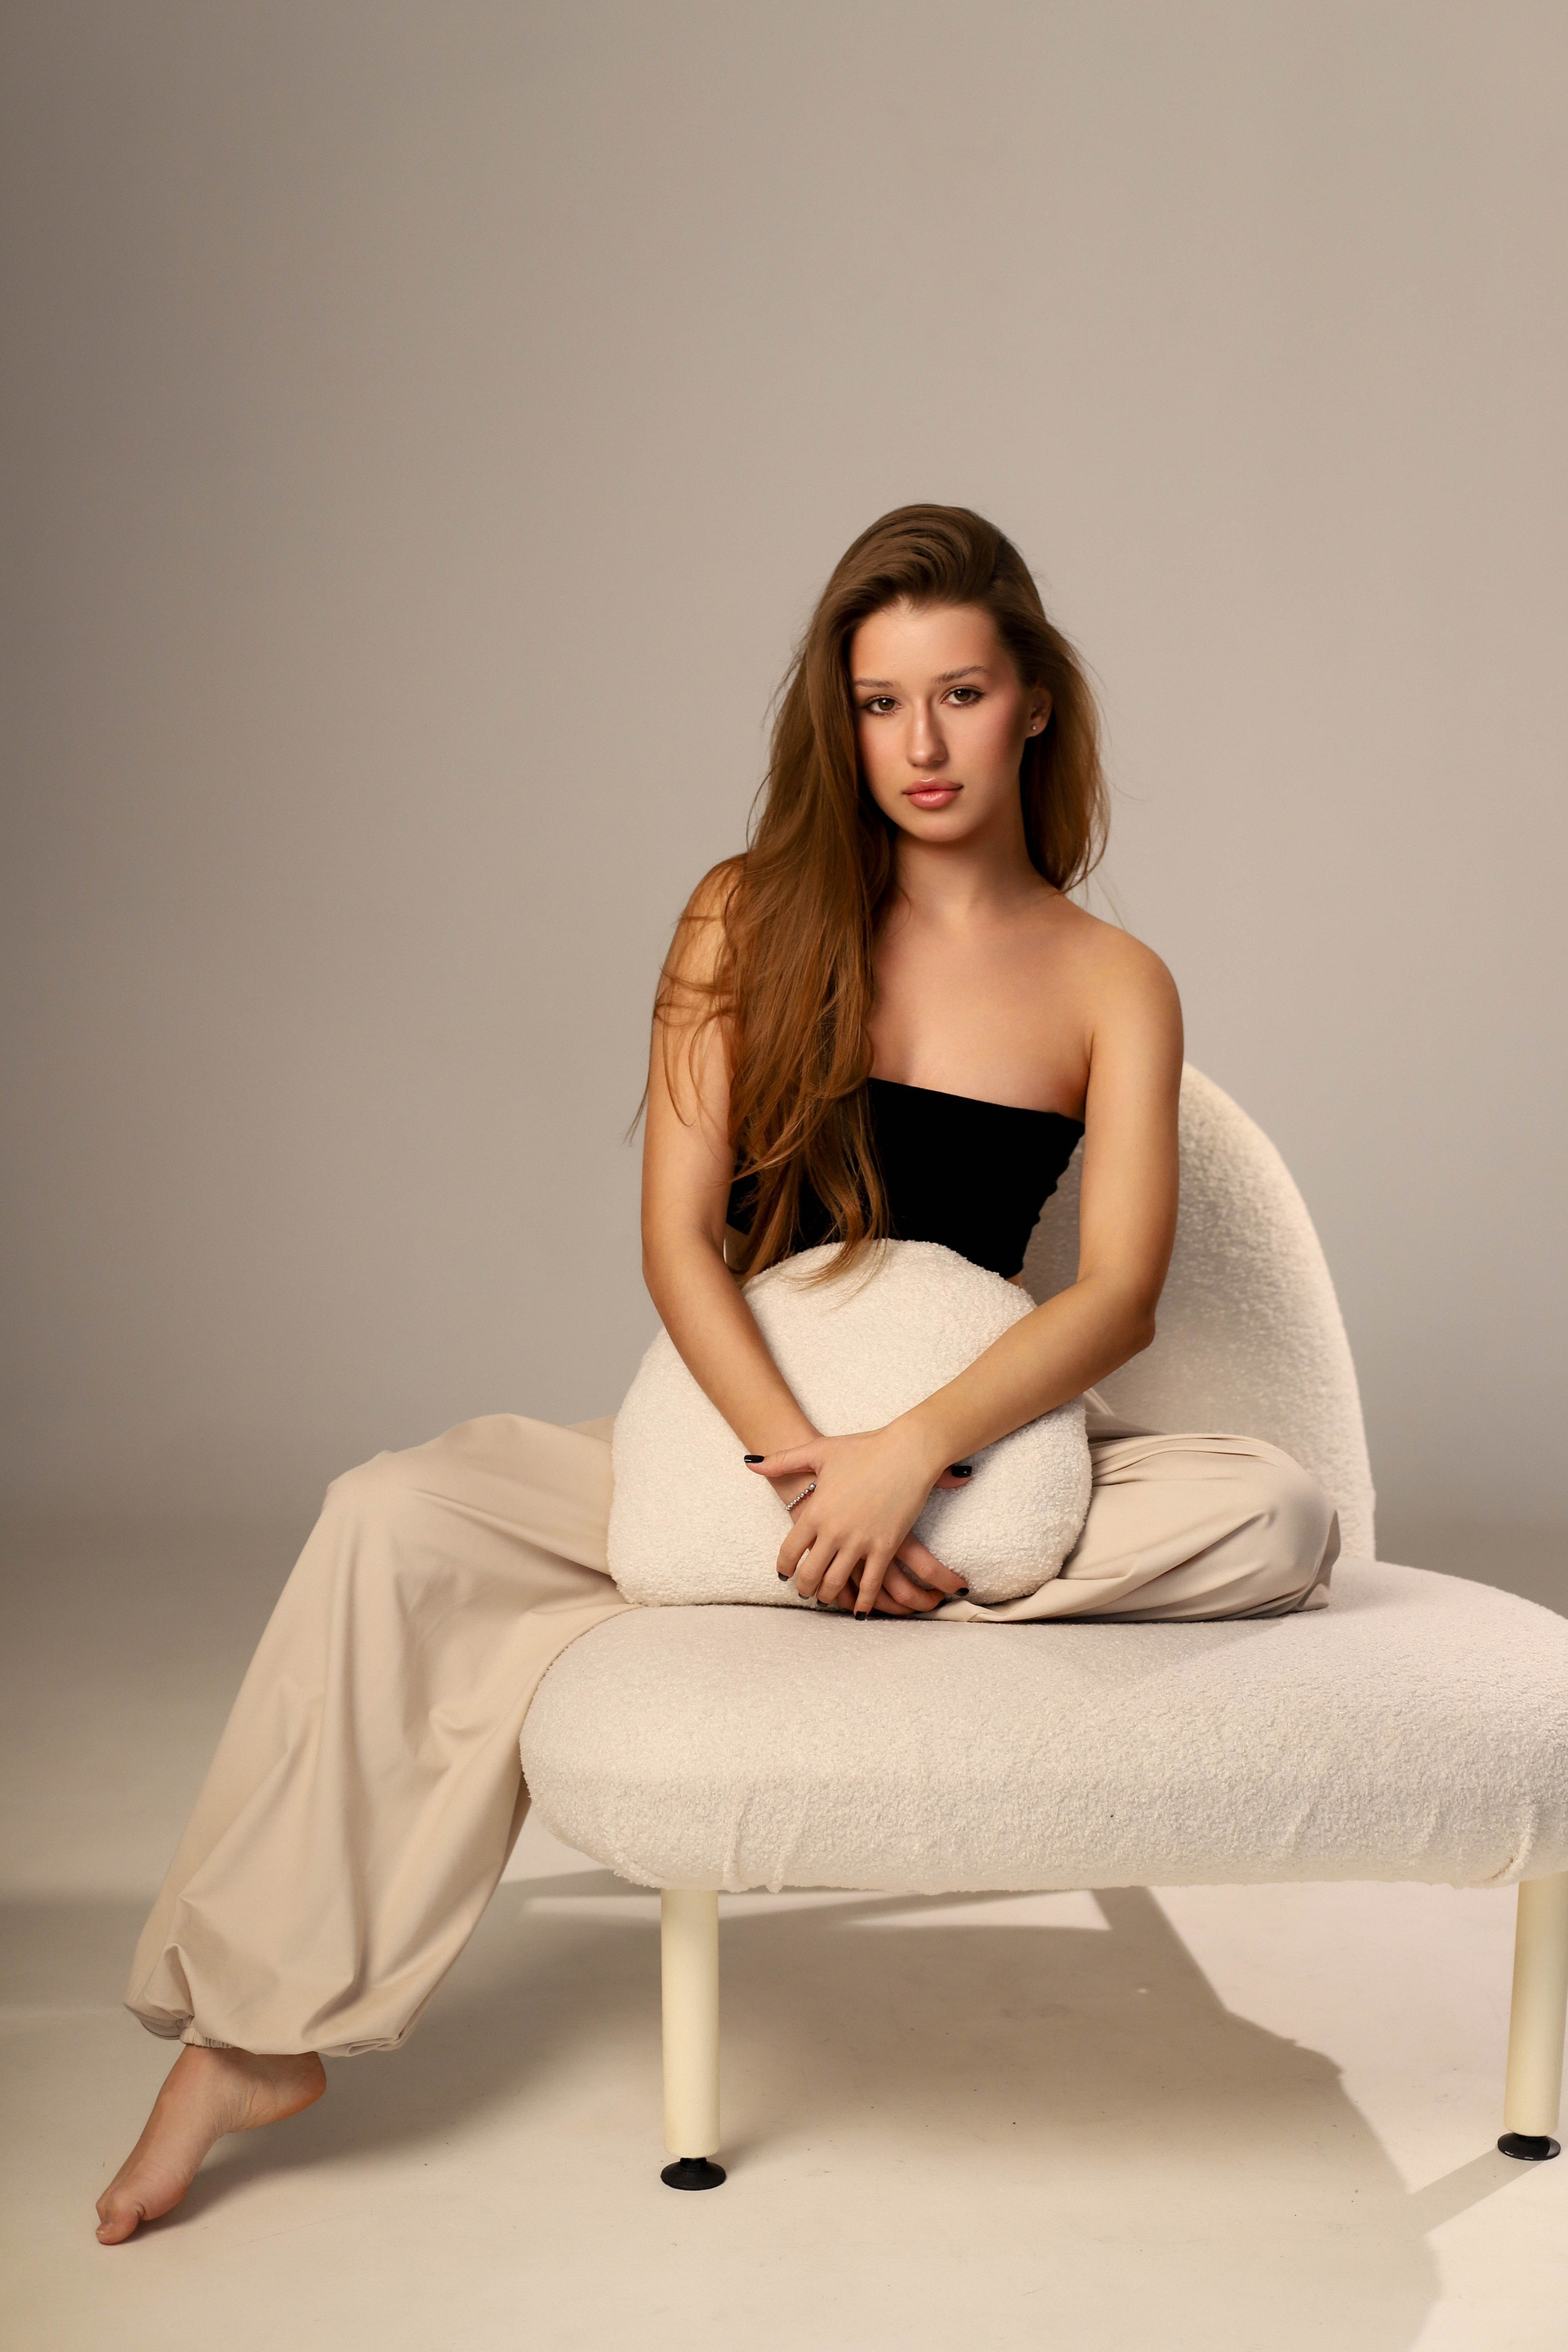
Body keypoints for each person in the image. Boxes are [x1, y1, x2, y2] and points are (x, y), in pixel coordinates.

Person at [95, 504, 1338, 2243]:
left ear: (1035, 701)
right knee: (394, 1513)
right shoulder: (744, 913)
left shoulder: (1113, 981)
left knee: (1274, 1513)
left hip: (962, 1444)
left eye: (960, 694)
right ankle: (249, 2040)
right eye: (881, 703)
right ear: (843, 719)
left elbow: (1119, 1296)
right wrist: (805, 1472)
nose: (920, 744)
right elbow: (680, 1240)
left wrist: (912, 1461)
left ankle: (878, 1571)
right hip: (741, 1441)